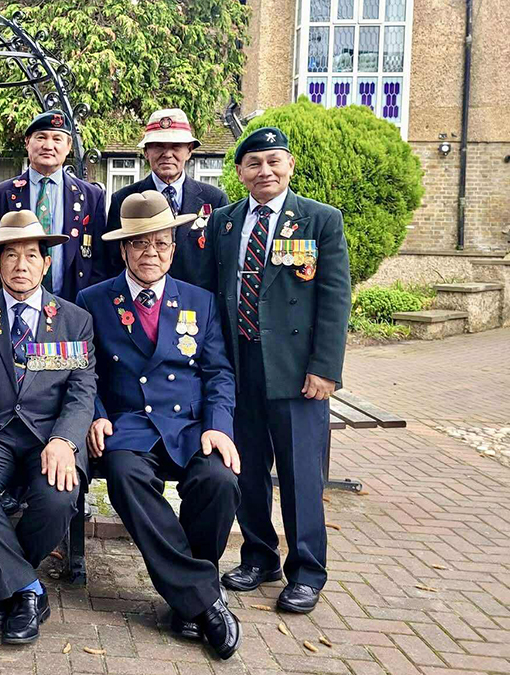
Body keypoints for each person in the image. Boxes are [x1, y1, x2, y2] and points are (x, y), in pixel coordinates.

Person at [78, 190, 241, 659]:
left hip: (190, 426)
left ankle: (189, 597)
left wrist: (218, 426)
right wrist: (96, 416)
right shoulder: (93, 300)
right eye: (140, 243)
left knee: (219, 479)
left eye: (162, 243)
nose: (151, 253)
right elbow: (83, 371)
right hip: (128, 426)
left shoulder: (199, 301)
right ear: (124, 249)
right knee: (125, 475)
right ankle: (203, 597)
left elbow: (218, 373)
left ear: (173, 247)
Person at [208, 127, 351, 614]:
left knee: (299, 475)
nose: (264, 171)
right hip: (238, 364)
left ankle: (307, 571)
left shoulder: (320, 220)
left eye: (273, 161)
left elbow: (334, 299)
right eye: (254, 163)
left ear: (289, 165)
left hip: (296, 372)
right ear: (240, 172)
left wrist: (325, 368)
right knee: (246, 469)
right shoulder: (224, 223)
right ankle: (259, 556)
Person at [0, 210, 97, 645]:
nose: (21, 265)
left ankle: (7, 585)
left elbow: (81, 391)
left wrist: (65, 440)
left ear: (46, 263)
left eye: (31, 255)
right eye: (10, 255)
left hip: (47, 436)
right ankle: (28, 590)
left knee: (59, 496)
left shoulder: (73, 319)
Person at [0, 110, 107, 301]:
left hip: (74, 304)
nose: (48, 146)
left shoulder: (91, 196)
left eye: (57, 139)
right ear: (27, 142)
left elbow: (100, 261)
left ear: (68, 146)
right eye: (41, 137)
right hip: (14, 303)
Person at [105, 108, 229, 289]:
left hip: (196, 302)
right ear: (146, 152)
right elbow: (113, 262)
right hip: (141, 301)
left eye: (176, 146)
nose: (167, 154)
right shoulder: (124, 200)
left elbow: (222, 263)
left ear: (189, 151)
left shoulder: (215, 200)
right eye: (159, 146)